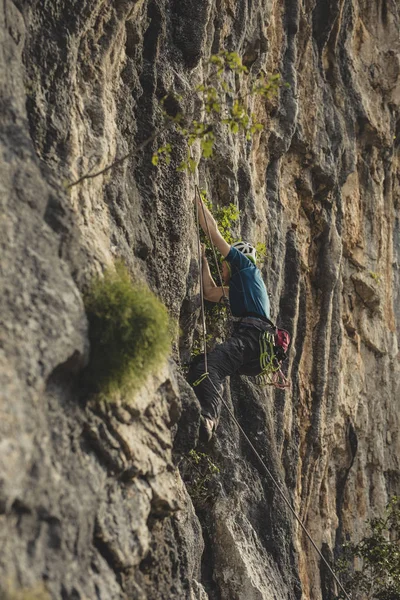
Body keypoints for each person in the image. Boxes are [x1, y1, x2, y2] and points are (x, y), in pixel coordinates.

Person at [188, 194, 273, 442]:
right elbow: (210, 292)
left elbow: (215, 234)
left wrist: (197, 201)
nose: (222, 268)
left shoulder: (246, 268)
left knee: (209, 366)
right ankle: (208, 418)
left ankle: (208, 418)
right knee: (213, 366)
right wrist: (203, 260)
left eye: (225, 265)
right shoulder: (242, 289)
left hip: (253, 337)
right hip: (257, 350)